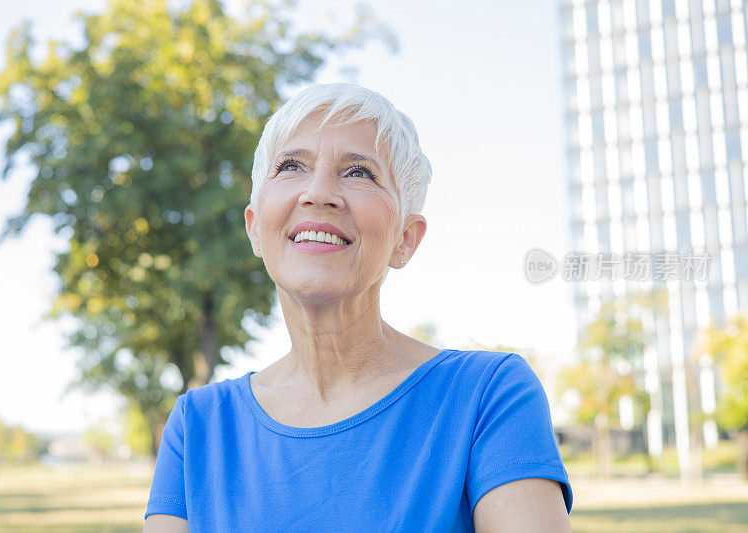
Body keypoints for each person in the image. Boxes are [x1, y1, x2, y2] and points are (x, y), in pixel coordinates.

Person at [143, 83, 573, 532]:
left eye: (359, 173)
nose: (318, 193)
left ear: (406, 239)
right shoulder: (197, 427)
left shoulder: (489, 396)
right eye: (291, 166)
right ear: (254, 227)